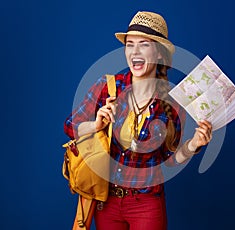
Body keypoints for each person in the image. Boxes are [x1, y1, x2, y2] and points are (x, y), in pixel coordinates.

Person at [64, 11, 212, 230]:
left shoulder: (172, 104)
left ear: (159, 53)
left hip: (146, 205)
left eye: (144, 44)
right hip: (106, 202)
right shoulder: (108, 87)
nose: (135, 52)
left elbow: (169, 162)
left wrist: (192, 145)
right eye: (129, 44)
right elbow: (70, 125)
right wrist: (95, 125)